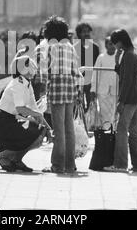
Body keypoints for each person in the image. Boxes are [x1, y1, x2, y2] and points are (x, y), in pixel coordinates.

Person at [0, 54, 50, 172]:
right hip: (2, 125)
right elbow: (20, 109)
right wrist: (37, 116)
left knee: (40, 131)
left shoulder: (27, 83)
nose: (34, 67)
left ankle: (16, 160)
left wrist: (48, 128)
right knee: (35, 133)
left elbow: (35, 110)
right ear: (24, 68)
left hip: (11, 121)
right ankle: (2, 156)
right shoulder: (17, 84)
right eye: (30, 64)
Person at [39, 16, 83, 174]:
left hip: (57, 88)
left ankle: (57, 165)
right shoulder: (70, 46)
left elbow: (44, 73)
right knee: (69, 129)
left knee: (59, 130)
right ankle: (70, 165)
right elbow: (76, 70)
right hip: (70, 88)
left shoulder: (50, 47)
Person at [104, 29, 137, 173]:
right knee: (133, 130)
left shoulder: (129, 55)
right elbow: (125, 74)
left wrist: (121, 101)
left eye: (115, 43)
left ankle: (120, 164)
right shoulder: (133, 53)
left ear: (121, 41)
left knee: (122, 129)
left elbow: (127, 81)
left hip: (130, 97)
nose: (115, 46)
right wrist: (117, 62)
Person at [90, 37, 119, 130]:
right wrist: (93, 89)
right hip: (102, 91)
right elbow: (95, 74)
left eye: (114, 44)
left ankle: (112, 133)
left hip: (115, 90)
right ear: (106, 45)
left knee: (113, 113)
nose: (112, 46)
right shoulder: (101, 57)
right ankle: (106, 134)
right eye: (110, 44)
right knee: (104, 113)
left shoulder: (119, 57)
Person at [73, 22, 100, 112]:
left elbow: (97, 65)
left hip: (91, 82)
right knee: (77, 106)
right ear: (79, 33)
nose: (87, 34)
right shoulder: (74, 48)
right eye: (84, 32)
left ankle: (88, 125)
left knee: (90, 106)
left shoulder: (95, 47)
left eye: (88, 31)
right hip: (78, 82)